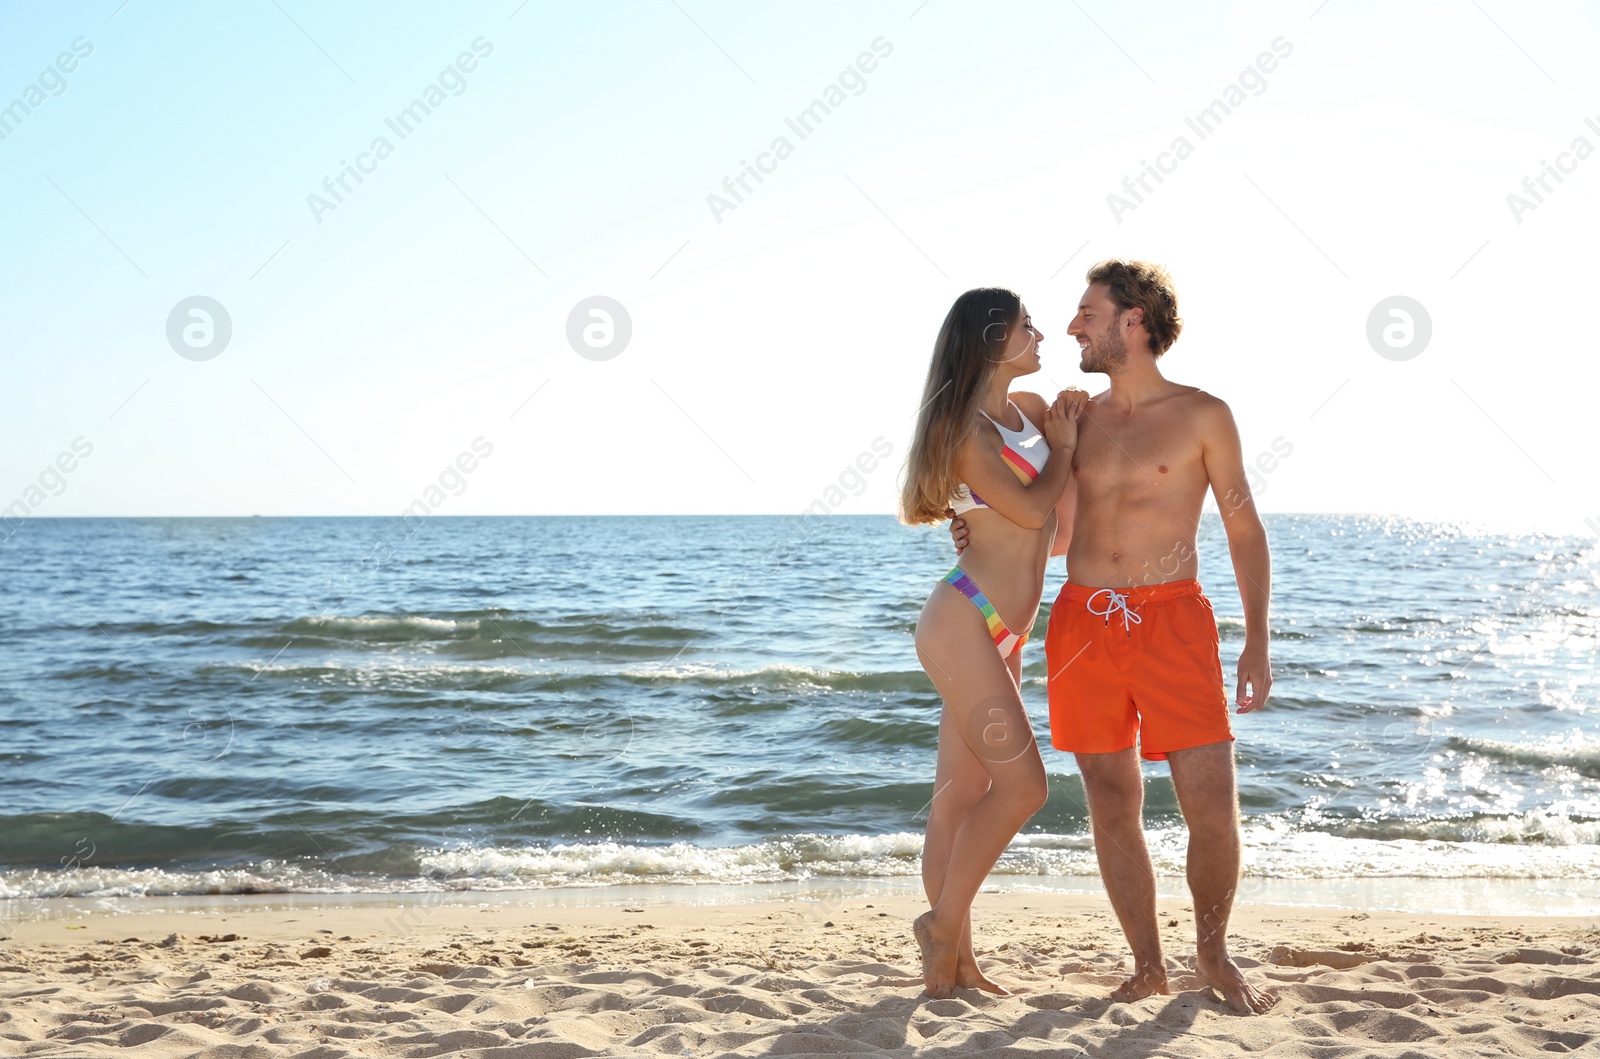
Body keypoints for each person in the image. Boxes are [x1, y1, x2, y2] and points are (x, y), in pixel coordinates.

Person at [950, 260, 1277, 1013]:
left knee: (1209, 801)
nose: (1072, 327)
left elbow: (1242, 526)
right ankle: (1147, 962)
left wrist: (1256, 638)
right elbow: (1041, 517)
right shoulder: (1073, 418)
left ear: (1133, 320)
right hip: (1083, 623)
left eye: (1087, 313)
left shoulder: (1203, 414)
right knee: (1109, 795)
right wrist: (966, 525)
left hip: (1173, 621)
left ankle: (1213, 953)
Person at [898, 287, 1086, 999]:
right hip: (963, 620)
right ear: (990, 340)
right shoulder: (964, 433)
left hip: (1005, 632)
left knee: (960, 796)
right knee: (1025, 785)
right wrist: (1065, 450)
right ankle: (943, 926)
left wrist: (1067, 439)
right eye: (1026, 326)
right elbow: (1034, 505)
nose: (1040, 334)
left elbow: (1054, 531)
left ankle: (958, 962)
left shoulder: (1029, 414)